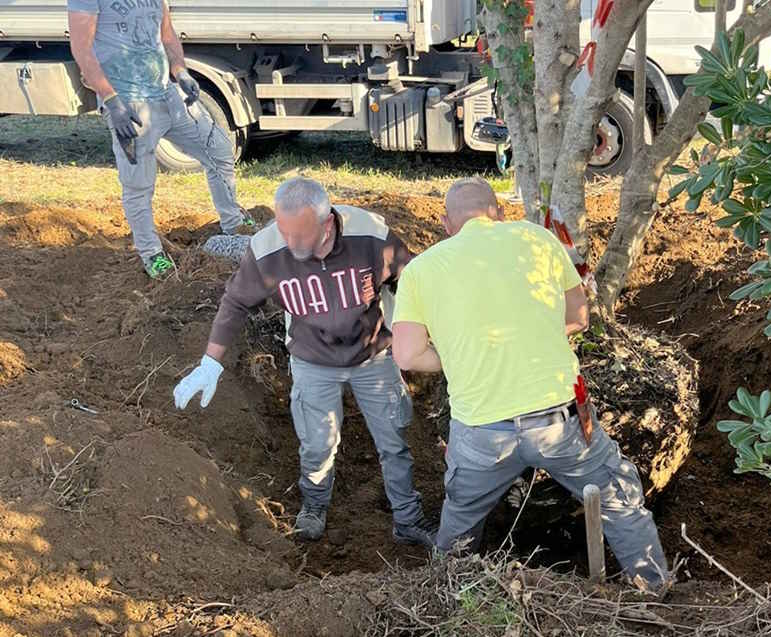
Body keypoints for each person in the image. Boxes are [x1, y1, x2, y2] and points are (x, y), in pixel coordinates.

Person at [391, 177, 670, 589]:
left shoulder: (420, 270)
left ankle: (449, 598)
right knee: (618, 500)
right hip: (561, 423)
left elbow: (407, 355)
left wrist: (461, 356)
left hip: (481, 434)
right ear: (498, 212)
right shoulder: (538, 240)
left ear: (446, 223)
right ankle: (655, 588)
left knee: (461, 520)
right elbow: (579, 318)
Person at [173, 177, 436, 547]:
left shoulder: (371, 236)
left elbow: (414, 280)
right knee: (316, 444)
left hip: (373, 357)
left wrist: (427, 333)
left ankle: (408, 518)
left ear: (328, 223)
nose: (291, 245)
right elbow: (235, 303)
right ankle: (314, 506)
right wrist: (210, 363)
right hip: (313, 361)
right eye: (285, 233)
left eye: (301, 236)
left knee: (394, 440)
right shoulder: (268, 249)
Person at [68, 0, 250, 278]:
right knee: (138, 184)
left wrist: (181, 71)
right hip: (129, 103)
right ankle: (152, 253)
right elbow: (82, 49)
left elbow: (166, 34)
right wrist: (112, 102)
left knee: (219, 149)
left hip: (168, 94)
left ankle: (234, 224)